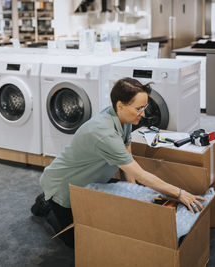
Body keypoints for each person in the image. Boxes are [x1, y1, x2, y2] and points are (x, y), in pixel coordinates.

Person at [31, 77, 205, 248]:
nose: (143, 114)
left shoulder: (124, 119)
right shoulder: (104, 133)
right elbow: (141, 175)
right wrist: (180, 193)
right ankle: (47, 205)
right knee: (78, 242)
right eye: (139, 108)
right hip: (62, 186)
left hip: (89, 182)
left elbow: (128, 155)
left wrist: (133, 193)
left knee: (105, 225)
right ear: (121, 105)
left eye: (144, 107)